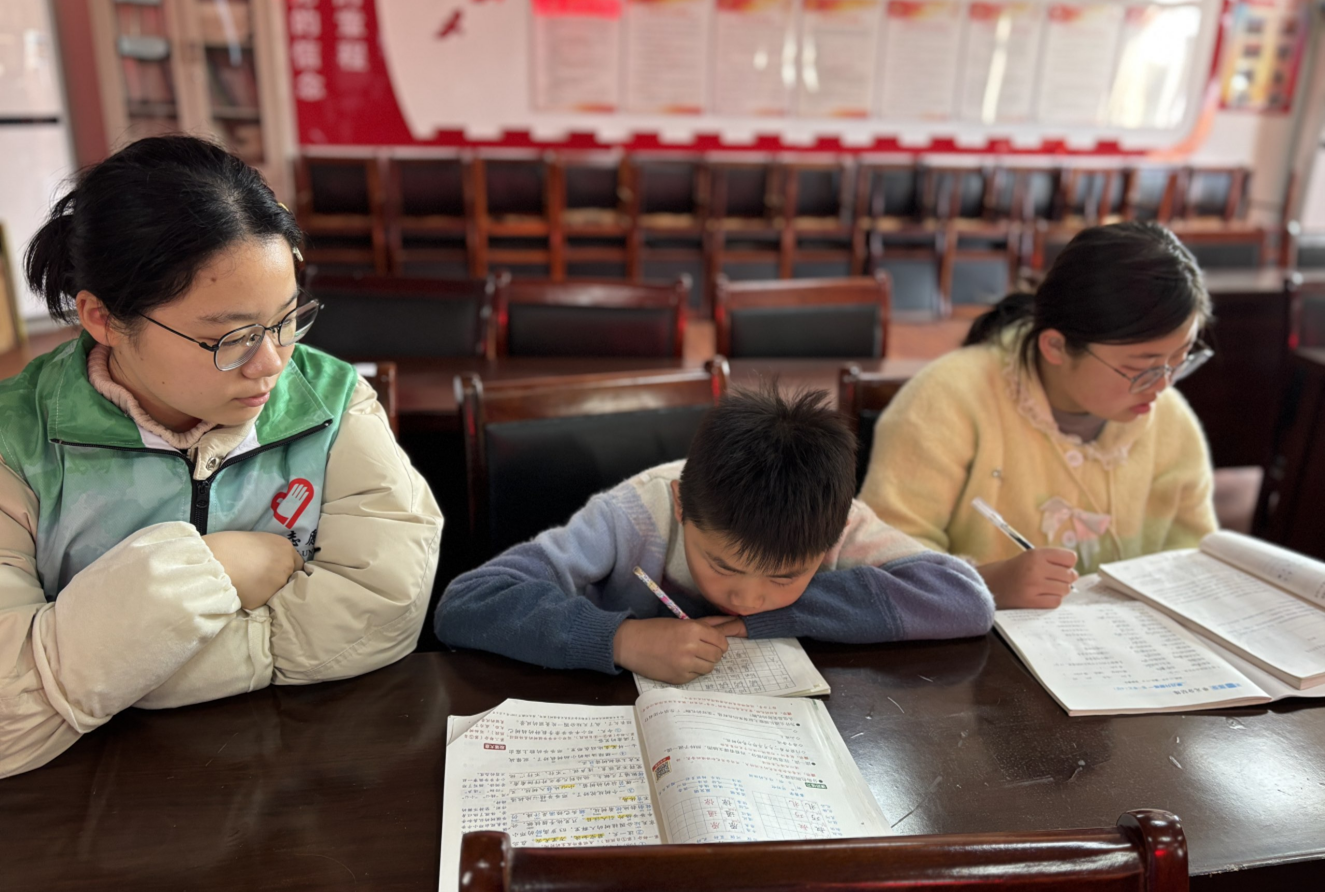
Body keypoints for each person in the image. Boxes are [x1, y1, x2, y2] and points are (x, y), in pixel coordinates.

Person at [0, 136, 443, 778]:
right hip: (92, 793)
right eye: (229, 337)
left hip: (304, 772)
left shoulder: (331, 400)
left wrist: (111, 668)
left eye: (287, 320)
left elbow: (385, 609)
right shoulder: (16, 440)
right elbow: (8, 717)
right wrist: (215, 569)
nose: (271, 364)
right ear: (102, 317)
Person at [434, 386, 994, 684]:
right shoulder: (636, 514)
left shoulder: (832, 516)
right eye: (723, 565)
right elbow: (469, 602)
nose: (746, 597)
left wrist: (773, 619)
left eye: (784, 577)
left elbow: (963, 598)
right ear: (682, 505)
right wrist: (619, 639)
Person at [860, 222, 1217, 609]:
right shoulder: (948, 399)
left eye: (1180, 360)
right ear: (1056, 346)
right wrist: (988, 584)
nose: (1162, 385)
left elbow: (1194, 558)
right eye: (1140, 368)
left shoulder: (1170, 421)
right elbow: (877, 555)